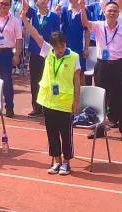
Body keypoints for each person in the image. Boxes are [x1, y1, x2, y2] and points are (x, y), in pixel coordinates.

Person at [23, 15, 82, 176]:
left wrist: (76, 101)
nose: (59, 50)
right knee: (52, 133)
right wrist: (24, 19)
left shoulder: (74, 57)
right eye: (56, 47)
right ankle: (56, 161)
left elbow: (77, 81)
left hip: (64, 101)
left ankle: (66, 162)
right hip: (48, 100)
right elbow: (35, 34)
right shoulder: (48, 51)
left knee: (66, 134)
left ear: (65, 44)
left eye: (61, 46)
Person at [78, 0, 122, 140]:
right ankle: (99, 129)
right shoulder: (98, 26)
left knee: (121, 99)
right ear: (104, 12)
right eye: (110, 10)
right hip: (102, 66)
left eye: (115, 11)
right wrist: (82, 8)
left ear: (118, 13)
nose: (112, 13)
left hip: (118, 66)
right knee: (100, 98)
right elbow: (85, 23)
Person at [25, 0, 61, 117]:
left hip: (48, 53)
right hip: (34, 52)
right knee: (35, 80)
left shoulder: (54, 17)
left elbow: (56, 34)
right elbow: (23, 5)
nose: (43, 1)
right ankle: (36, 107)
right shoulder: (33, 14)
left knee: (48, 80)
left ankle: (47, 106)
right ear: (36, 2)